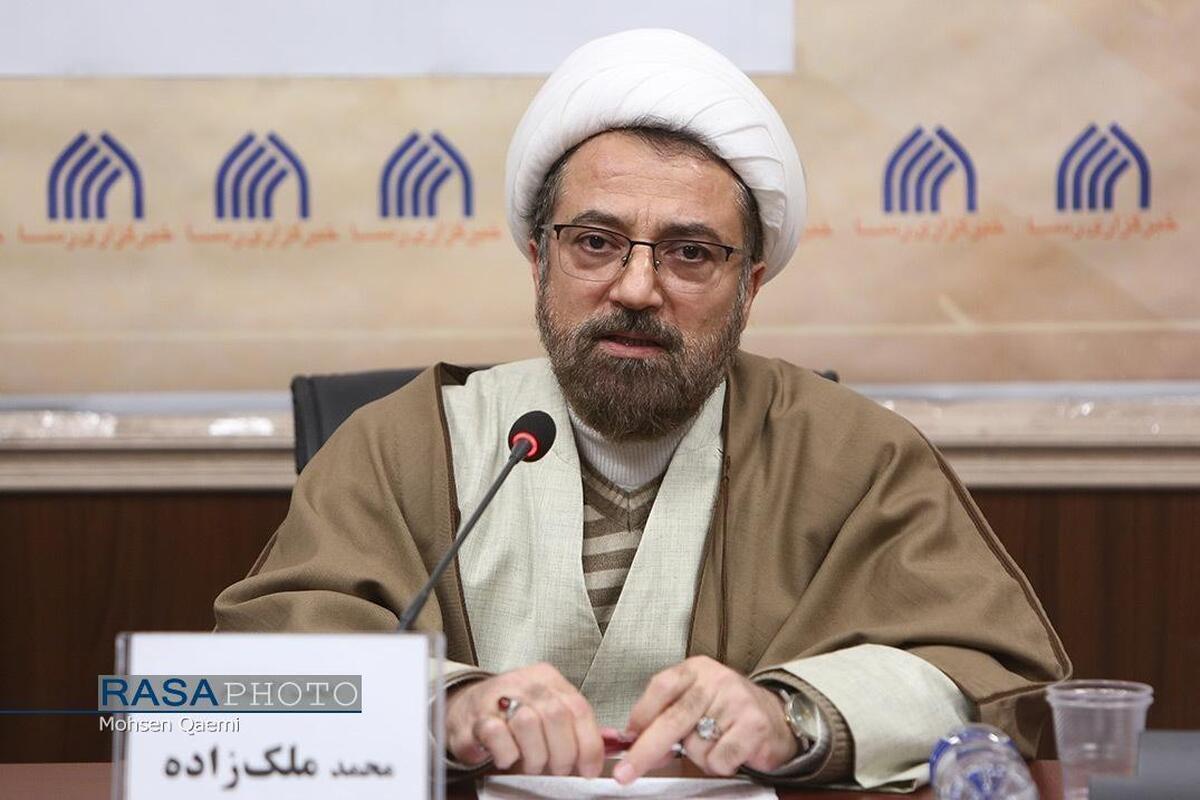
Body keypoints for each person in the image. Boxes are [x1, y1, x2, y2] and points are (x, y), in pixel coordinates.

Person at [214, 29, 1070, 789]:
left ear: (750, 286)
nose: (635, 288)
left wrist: (792, 717)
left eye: (689, 253)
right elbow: (258, 676)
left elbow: (987, 676)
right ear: (539, 260)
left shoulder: (855, 457)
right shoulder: (402, 445)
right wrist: (445, 706)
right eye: (595, 242)